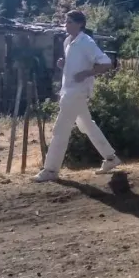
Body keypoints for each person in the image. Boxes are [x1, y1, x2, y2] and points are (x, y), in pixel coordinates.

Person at [34, 10, 120, 182]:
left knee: (60, 128)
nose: (66, 25)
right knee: (87, 125)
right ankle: (111, 158)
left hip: (77, 91)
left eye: (70, 22)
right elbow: (74, 64)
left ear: (80, 24)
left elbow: (106, 63)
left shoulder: (86, 42)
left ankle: (50, 169)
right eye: (66, 21)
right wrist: (63, 65)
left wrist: (87, 73)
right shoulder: (68, 42)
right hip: (69, 90)